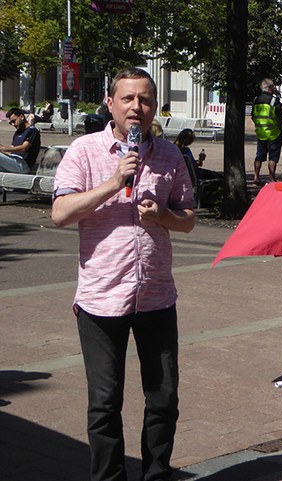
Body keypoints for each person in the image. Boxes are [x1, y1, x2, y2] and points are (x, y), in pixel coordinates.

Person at [51, 67, 196, 481]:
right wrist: (114, 183)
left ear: (155, 108)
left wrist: (164, 215)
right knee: (104, 402)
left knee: (164, 398)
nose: (137, 107)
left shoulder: (170, 155)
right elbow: (60, 213)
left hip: (155, 295)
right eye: (128, 99)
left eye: (146, 99)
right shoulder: (83, 151)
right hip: (101, 297)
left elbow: (188, 220)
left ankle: (156, 474)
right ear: (110, 103)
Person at [251, 78, 282, 185]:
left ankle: (256, 177)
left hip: (261, 133)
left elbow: (253, 117)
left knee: (259, 156)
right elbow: (280, 118)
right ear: (270, 88)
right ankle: (272, 178)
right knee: (273, 157)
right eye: (273, 87)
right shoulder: (274, 101)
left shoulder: (256, 100)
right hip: (274, 134)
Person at [0, 107, 41, 173]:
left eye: (14, 121)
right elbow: (11, 151)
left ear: (21, 117)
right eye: (10, 123)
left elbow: (23, 148)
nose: (13, 124)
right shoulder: (18, 132)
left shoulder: (32, 130)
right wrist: (2, 150)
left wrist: (2, 148)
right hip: (13, 161)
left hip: (23, 164)